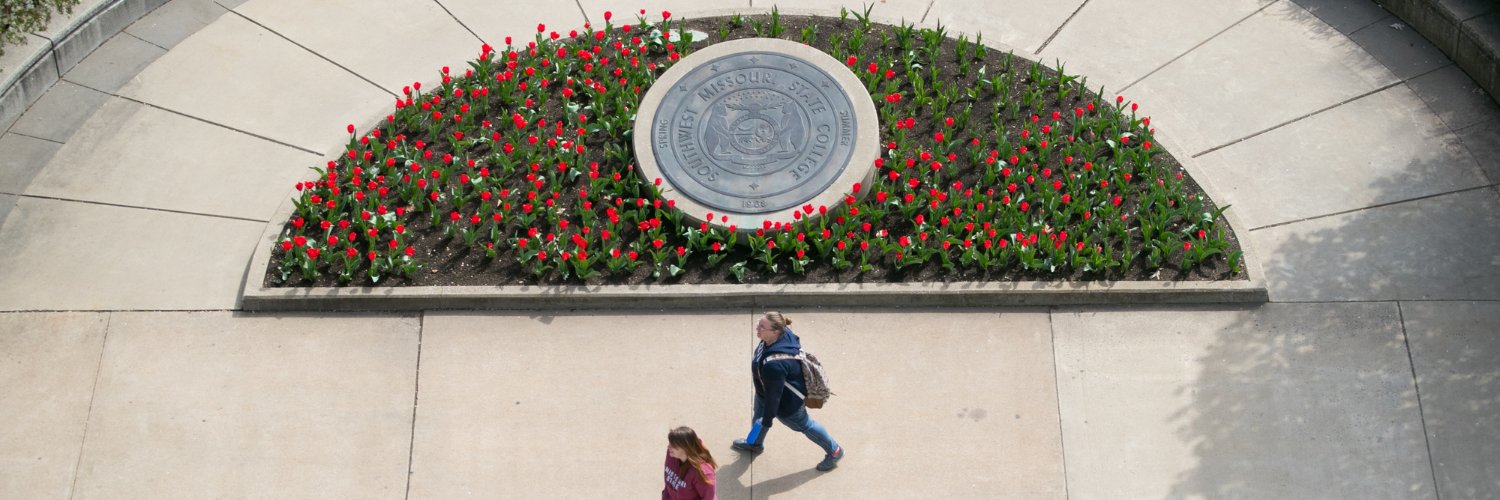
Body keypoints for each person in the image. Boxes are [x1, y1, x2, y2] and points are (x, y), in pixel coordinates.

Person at [732, 311, 845, 471]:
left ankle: (835, 451)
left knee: (805, 425)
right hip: (765, 392)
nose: (757, 327)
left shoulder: (774, 366)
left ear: (776, 331)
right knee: (759, 416)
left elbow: (775, 397)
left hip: (786, 405)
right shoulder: (783, 334)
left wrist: (767, 419)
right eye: (759, 322)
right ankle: (755, 444)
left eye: (762, 326)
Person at [663, 426, 717, 500]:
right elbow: (668, 486)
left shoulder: (702, 472)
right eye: (669, 443)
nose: (669, 447)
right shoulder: (672, 455)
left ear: (686, 447)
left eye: (673, 445)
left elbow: (708, 498)